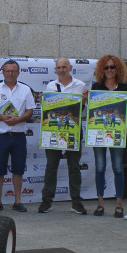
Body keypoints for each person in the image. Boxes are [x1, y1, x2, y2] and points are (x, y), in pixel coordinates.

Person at [38, 57, 88, 215]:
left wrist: (84, 101)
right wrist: (43, 102)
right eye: (58, 68)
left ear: (70, 68)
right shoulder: (50, 86)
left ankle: (76, 202)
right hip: (54, 131)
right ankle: (47, 201)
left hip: (73, 130)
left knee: (74, 167)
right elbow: (48, 111)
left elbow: (84, 111)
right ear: (55, 69)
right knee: (51, 166)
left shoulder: (80, 85)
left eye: (64, 67)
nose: (61, 70)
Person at [0, 60, 34, 213]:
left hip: (19, 136)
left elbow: (30, 111)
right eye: (7, 71)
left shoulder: (26, 89)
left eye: (13, 71)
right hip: (1, 136)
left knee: (18, 170)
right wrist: (3, 118)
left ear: (18, 73)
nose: (10, 74)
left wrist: (19, 119)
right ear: (3, 72)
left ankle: (18, 201)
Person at [90, 54, 127, 218]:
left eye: (112, 67)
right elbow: (91, 111)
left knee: (118, 168)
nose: (109, 70)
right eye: (106, 67)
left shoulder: (124, 87)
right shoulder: (96, 87)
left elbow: (126, 114)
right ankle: (100, 203)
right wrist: (86, 99)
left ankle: (119, 203)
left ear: (118, 69)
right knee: (100, 167)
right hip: (99, 132)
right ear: (102, 69)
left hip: (117, 133)